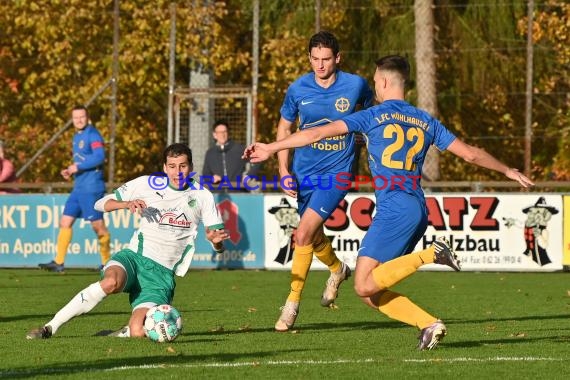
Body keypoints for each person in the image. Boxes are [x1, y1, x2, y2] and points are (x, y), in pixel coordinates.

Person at [244, 55, 534, 349]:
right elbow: (470, 154)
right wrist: (507, 170)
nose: (374, 87)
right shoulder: (425, 120)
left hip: (395, 208)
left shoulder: (372, 116)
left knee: (363, 283)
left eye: (375, 82)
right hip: (417, 209)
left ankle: (431, 254)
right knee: (370, 293)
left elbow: (316, 132)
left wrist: (272, 147)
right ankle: (429, 324)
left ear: (382, 82)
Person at [27, 143, 229, 339]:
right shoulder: (146, 184)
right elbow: (100, 203)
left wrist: (216, 242)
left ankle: (122, 332)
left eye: (183, 166)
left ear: (191, 167)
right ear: (165, 168)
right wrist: (126, 203)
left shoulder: (203, 195)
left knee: (138, 332)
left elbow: (217, 243)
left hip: (160, 277)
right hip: (134, 258)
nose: (178, 172)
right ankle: (50, 327)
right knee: (111, 282)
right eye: (173, 166)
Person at [269, 31, 374, 332]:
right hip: (304, 172)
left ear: (337, 58)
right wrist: (283, 169)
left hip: (338, 173)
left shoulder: (355, 85)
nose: (320, 65)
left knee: (301, 235)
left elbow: (371, 113)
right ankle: (338, 269)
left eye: (326, 59)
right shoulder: (298, 88)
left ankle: (291, 305)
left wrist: (364, 139)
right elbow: (285, 126)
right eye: (315, 59)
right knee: (312, 236)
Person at [38, 105, 111, 272]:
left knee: (97, 226)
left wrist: (78, 167)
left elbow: (100, 157)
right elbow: (81, 162)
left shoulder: (92, 134)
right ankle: (58, 262)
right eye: (75, 117)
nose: (79, 120)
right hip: (79, 188)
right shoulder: (76, 137)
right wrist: (70, 170)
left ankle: (107, 263)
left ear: (88, 117)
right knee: (65, 221)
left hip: (92, 187)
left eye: (82, 117)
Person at [202, 119, 260, 192]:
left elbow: (257, 160)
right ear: (214, 135)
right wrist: (212, 178)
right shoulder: (210, 153)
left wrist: (248, 176)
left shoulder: (239, 149)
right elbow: (205, 173)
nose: (223, 135)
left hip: (239, 194)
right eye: (219, 132)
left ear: (228, 133)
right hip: (218, 196)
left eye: (225, 131)